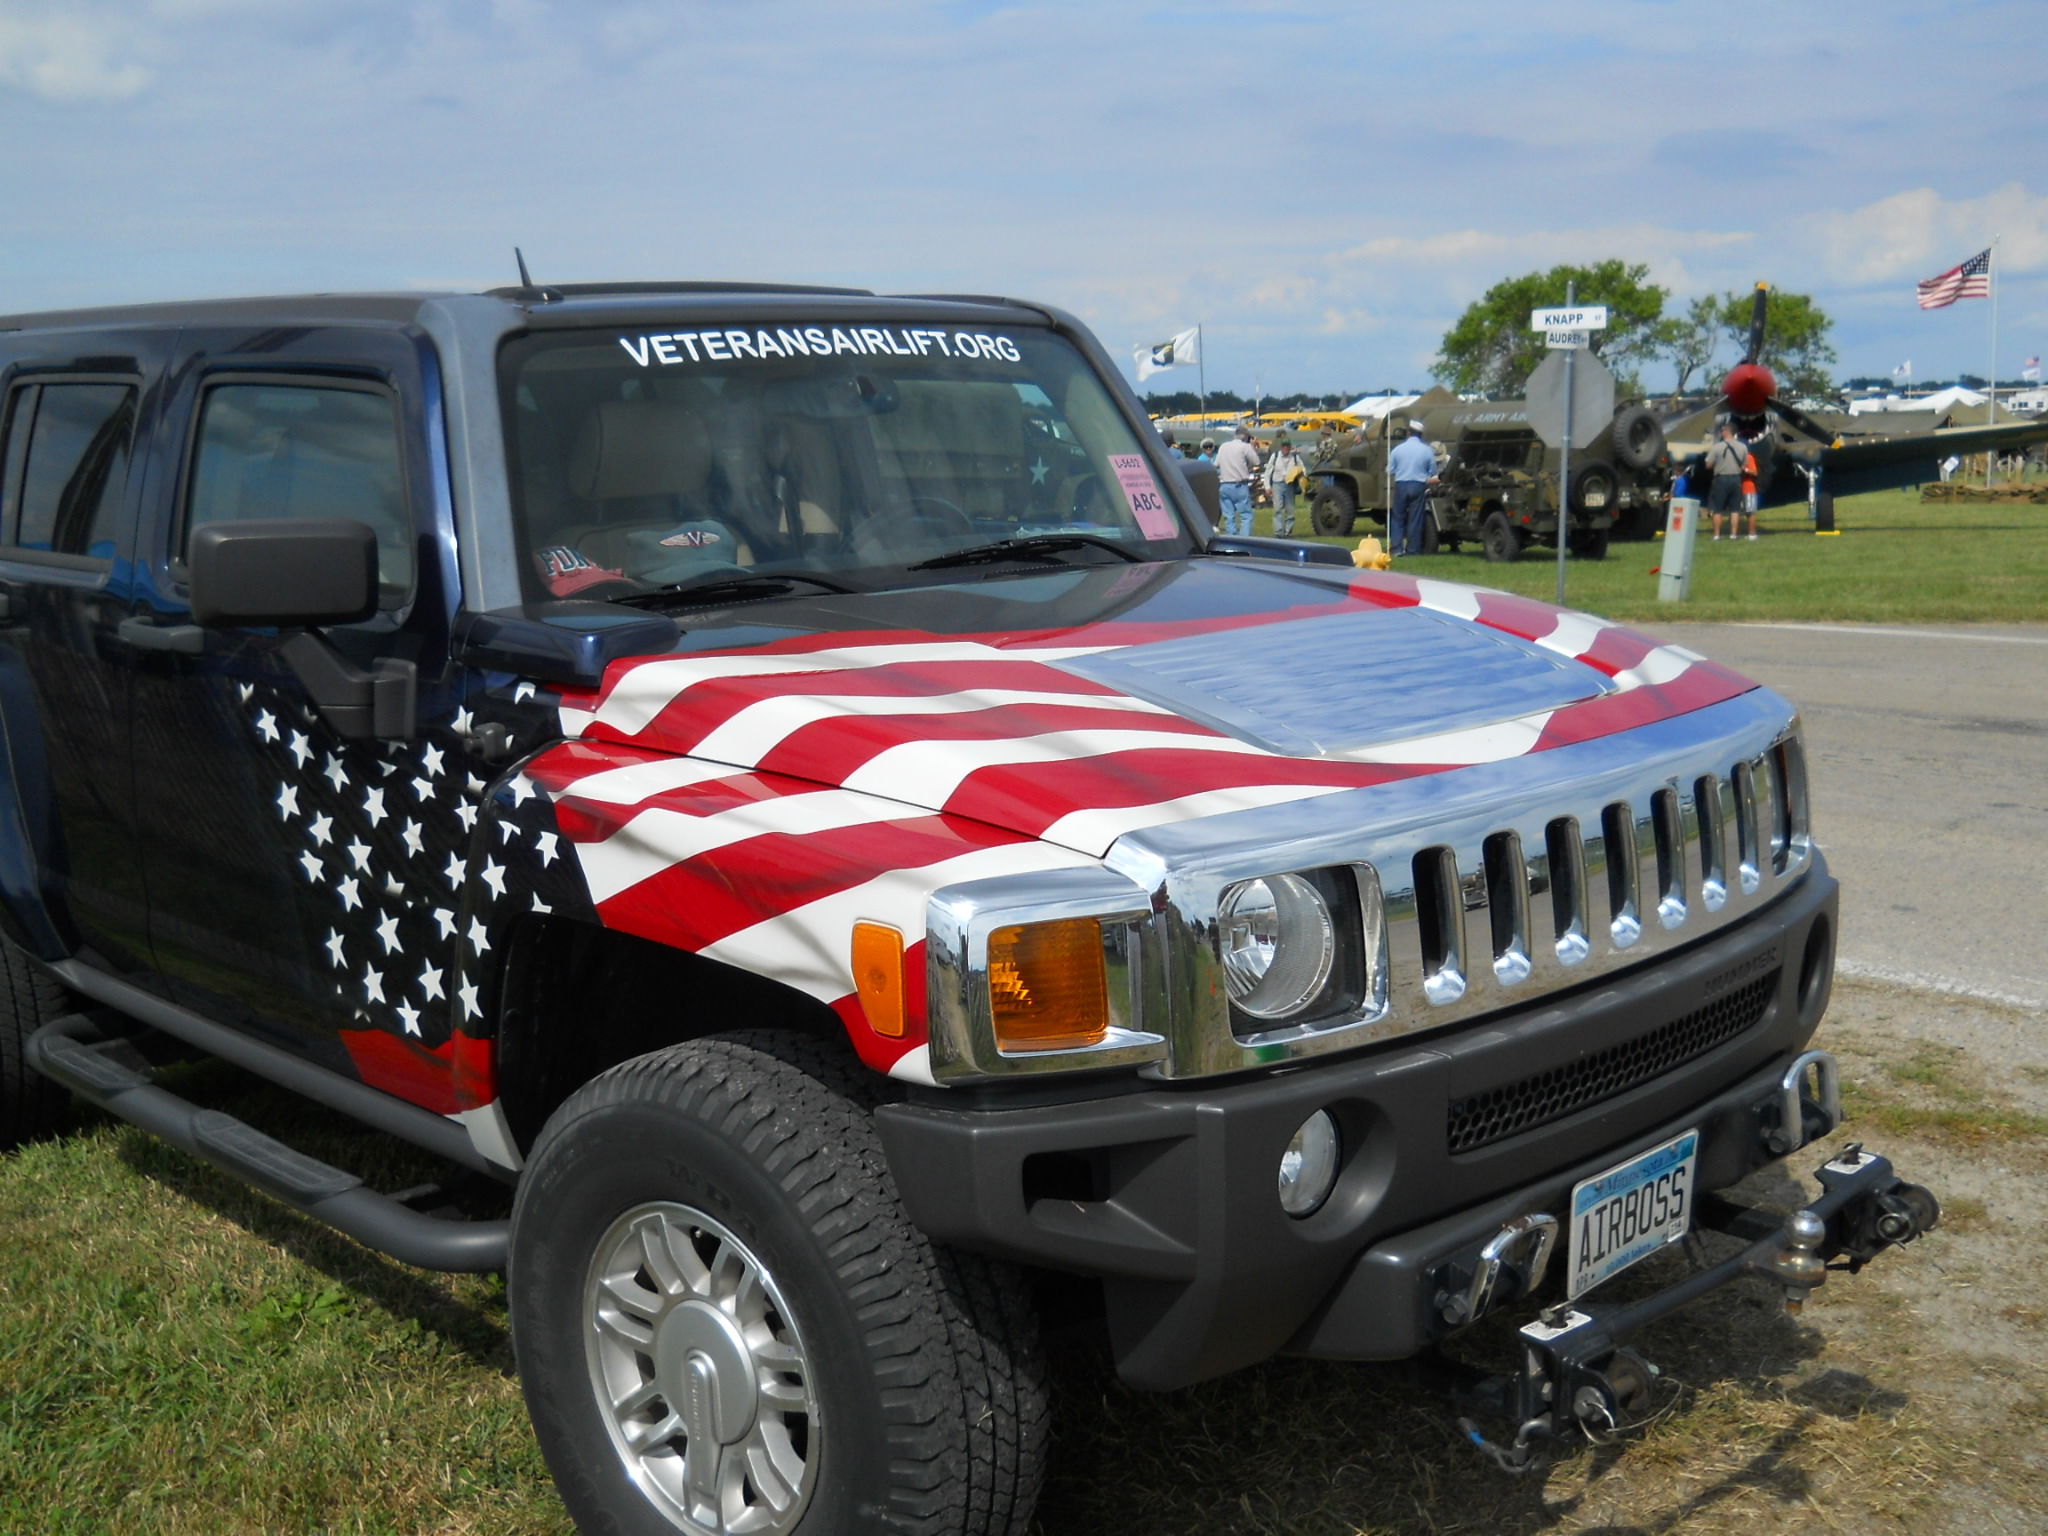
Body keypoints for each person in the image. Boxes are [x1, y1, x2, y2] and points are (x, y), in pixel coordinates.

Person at [1387, 418, 1438, 556]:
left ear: (1409, 432)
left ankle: (1397, 548)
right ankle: (1413, 549)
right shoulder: (1426, 450)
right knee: (1415, 518)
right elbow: (1433, 470)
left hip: (1401, 484)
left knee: (1398, 518)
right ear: (1420, 434)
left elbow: (1389, 470)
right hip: (1418, 485)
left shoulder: (1397, 449)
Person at [1214, 425, 1261, 537]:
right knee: (1246, 515)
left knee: (1229, 516)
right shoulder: (1245, 447)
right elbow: (1257, 462)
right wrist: (1252, 447)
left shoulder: (1223, 446)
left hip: (1224, 484)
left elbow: (1216, 464)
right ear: (1245, 436)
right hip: (1239, 485)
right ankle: (1245, 539)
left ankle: (1232, 538)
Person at [1705, 424, 1746, 540]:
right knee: (1735, 509)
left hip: (1721, 479)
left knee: (1717, 509)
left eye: (1722, 430)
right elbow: (1744, 464)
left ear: (1727, 431)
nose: (1721, 432)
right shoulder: (1742, 447)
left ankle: (1717, 535)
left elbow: (1708, 464)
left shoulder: (1717, 447)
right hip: (1736, 479)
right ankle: (1733, 535)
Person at [1265, 434, 1303, 538]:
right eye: (1284, 446)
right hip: (1277, 484)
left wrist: (1301, 481)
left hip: (1290, 485)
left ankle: (1288, 532)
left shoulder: (1295, 457)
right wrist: (1267, 487)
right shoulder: (1275, 456)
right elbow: (1268, 471)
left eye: (1287, 446)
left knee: (1290, 510)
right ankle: (1278, 531)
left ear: (1290, 447)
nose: (1286, 448)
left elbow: (1302, 471)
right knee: (1277, 509)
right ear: (1281, 447)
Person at [1740, 447, 1760, 540]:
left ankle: (1752, 534)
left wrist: (1745, 470)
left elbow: (1754, 472)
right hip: (1743, 488)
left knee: (1750, 512)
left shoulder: (1749, 457)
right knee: (1747, 512)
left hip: (1749, 488)